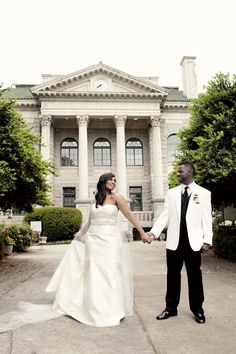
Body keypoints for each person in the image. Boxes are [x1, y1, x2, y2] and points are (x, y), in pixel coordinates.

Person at [0, 172, 152, 332]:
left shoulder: (117, 198)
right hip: (94, 240)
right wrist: (79, 235)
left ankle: (111, 309)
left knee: (110, 270)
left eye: (116, 181)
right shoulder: (96, 198)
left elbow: (129, 215)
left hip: (110, 241)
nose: (114, 182)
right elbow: (89, 221)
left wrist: (142, 232)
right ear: (104, 180)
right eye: (111, 179)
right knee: (94, 272)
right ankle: (93, 308)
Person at [148, 161, 213, 324]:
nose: (177, 174)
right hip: (174, 242)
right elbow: (165, 216)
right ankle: (170, 308)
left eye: (180, 171)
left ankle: (198, 310)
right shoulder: (171, 193)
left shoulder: (204, 193)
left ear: (190, 172)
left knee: (195, 276)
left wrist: (207, 240)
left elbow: (207, 219)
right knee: (172, 276)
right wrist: (153, 232)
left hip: (194, 243)